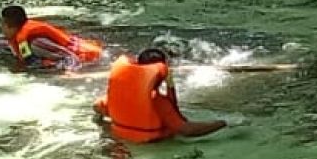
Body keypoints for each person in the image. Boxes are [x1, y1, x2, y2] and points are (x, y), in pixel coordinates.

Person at [93, 48, 226, 142]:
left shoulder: (117, 96)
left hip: (122, 143)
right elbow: (186, 131)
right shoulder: (157, 101)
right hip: (151, 147)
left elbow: (97, 106)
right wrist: (222, 123)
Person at [0, 5, 103, 70]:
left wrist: (70, 73)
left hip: (91, 58)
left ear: (10, 26)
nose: (1, 28)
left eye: (2, 24)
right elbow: (24, 55)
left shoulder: (36, 43)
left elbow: (69, 56)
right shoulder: (21, 40)